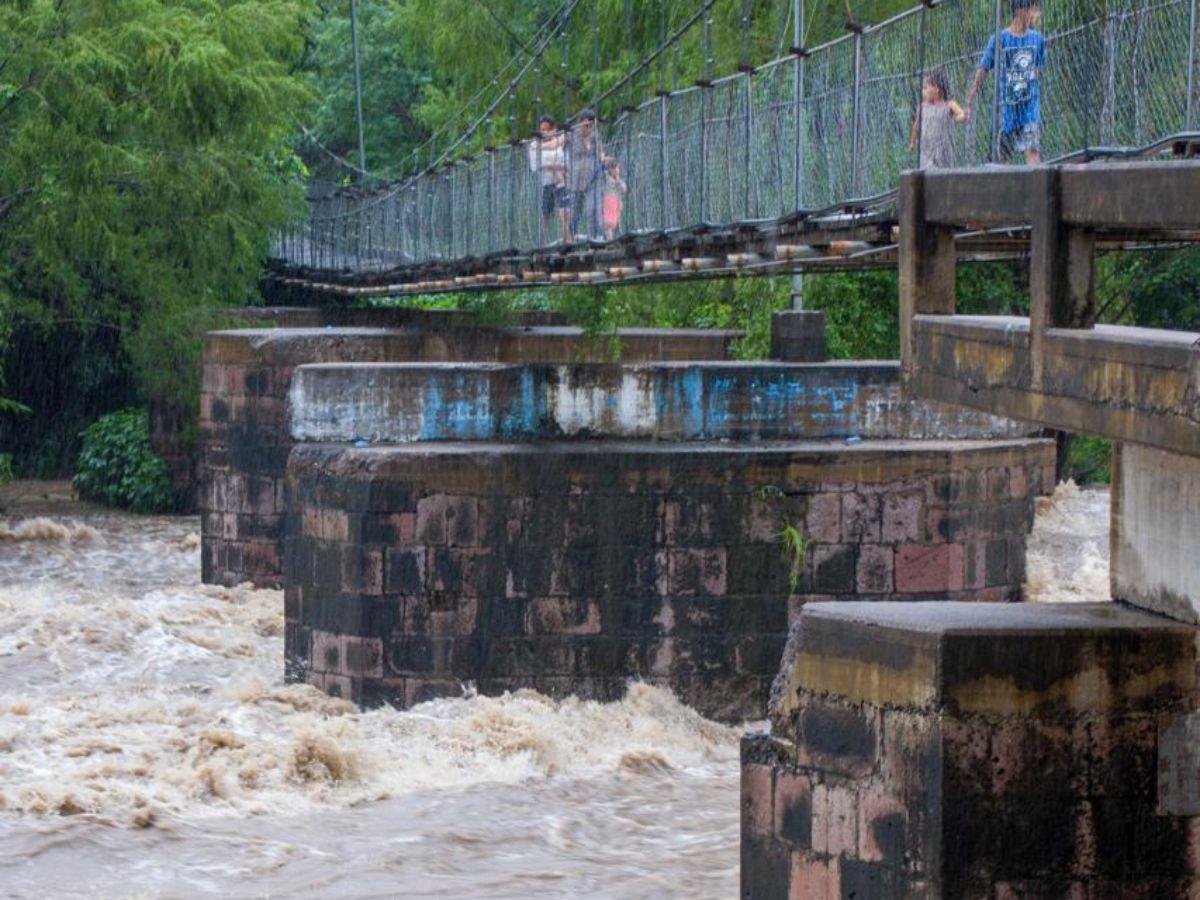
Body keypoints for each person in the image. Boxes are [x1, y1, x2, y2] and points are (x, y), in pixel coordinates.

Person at [966, 0, 1046, 165]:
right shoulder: (999, 39)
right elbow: (984, 68)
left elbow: (1037, 69)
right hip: (1006, 110)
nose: (1038, 15)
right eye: (1035, 10)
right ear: (1021, 11)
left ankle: (1037, 188)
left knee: (1032, 150)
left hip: (1029, 108)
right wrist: (973, 92)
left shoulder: (1038, 40)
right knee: (1003, 158)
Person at [909, 69, 967, 169]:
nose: (923, 92)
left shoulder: (949, 105)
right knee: (927, 176)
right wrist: (913, 142)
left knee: (942, 177)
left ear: (936, 88)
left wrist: (962, 117)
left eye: (925, 88)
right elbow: (916, 126)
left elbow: (961, 115)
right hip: (926, 152)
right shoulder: (922, 107)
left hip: (942, 153)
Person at [564, 109, 607, 241]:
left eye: (591, 124)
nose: (588, 127)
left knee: (592, 209)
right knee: (575, 211)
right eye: (586, 124)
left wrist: (604, 158)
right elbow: (559, 142)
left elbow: (601, 153)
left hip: (593, 177)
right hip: (577, 179)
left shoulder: (595, 136)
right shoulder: (572, 135)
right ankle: (570, 238)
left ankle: (593, 239)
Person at [528, 115, 569, 243]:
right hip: (547, 183)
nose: (544, 133)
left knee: (564, 212)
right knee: (546, 214)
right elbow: (536, 166)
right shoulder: (534, 145)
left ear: (553, 129)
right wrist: (555, 165)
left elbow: (566, 162)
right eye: (542, 130)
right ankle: (540, 243)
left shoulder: (558, 142)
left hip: (561, 183)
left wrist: (551, 165)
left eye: (547, 130)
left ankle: (567, 242)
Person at [602, 159, 627, 241]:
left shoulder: (619, 181)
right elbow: (603, 169)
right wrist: (605, 160)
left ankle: (615, 241)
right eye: (616, 168)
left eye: (618, 168)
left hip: (616, 204)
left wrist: (618, 181)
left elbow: (625, 189)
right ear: (611, 170)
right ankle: (609, 242)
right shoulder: (606, 178)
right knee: (609, 225)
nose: (618, 170)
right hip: (609, 203)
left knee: (616, 224)